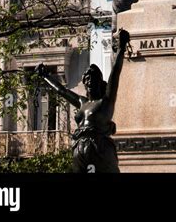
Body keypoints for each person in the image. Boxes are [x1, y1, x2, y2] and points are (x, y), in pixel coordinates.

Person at [36, 29, 130, 173]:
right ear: (84, 84)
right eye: (86, 79)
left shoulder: (105, 101)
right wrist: (45, 76)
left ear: (100, 82)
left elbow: (115, 73)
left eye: (93, 78)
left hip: (99, 147)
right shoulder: (82, 102)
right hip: (79, 147)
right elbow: (61, 91)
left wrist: (122, 48)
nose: (89, 81)